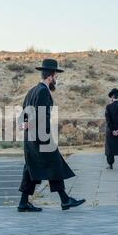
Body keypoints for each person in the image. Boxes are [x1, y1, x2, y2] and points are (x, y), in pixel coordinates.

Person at [17, 59, 86, 212]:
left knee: (31, 167)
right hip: (41, 137)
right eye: (56, 77)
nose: (57, 80)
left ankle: (23, 203)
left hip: (30, 138)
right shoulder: (42, 91)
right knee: (54, 165)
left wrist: (24, 125)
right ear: (51, 76)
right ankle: (65, 200)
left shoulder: (32, 91)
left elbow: (23, 116)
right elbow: (41, 116)